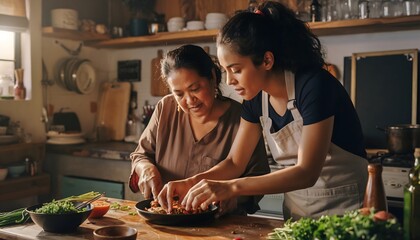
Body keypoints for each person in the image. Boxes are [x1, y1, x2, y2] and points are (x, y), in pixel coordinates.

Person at [157, 1, 368, 220]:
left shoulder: (314, 86)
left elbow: (307, 172)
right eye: (225, 71)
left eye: (236, 70)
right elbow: (234, 163)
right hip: (298, 213)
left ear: (267, 60)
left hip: (346, 210)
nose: (229, 81)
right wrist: (190, 183)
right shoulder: (256, 98)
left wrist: (231, 188)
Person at [129, 44, 270, 216]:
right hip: (165, 221)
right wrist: (146, 169)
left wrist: (229, 196)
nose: (189, 100)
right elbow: (140, 155)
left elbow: (257, 178)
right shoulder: (165, 108)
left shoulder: (244, 118)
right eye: (179, 94)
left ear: (212, 77)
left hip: (221, 225)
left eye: (195, 89)